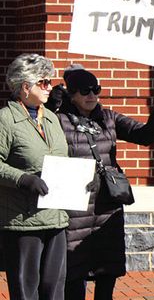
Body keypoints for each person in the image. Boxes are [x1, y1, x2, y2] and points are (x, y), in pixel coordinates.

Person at [47, 67, 154, 300]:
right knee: (74, 272)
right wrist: (51, 107)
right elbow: (39, 128)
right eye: (85, 91)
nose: (92, 95)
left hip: (107, 206)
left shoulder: (109, 118)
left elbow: (145, 136)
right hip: (75, 208)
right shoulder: (59, 120)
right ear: (72, 94)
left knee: (107, 270)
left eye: (96, 89)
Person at [1, 53, 69, 299]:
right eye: (44, 82)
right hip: (23, 221)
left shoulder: (50, 118)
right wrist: (23, 179)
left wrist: (83, 180)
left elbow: (62, 158)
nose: (50, 87)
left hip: (56, 219)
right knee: (26, 291)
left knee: (55, 290)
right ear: (25, 86)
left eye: (49, 82)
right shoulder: (6, 120)